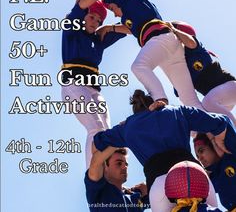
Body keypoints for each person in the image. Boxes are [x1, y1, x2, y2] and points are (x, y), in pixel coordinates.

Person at [91, 89, 234, 212]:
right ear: (153, 103)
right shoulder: (177, 111)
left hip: (161, 185)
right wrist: (221, 138)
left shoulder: (128, 126)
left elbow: (96, 143)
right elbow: (222, 121)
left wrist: (125, 127)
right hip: (195, 175)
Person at [77, 0, 203, 110]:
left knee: (139, 66)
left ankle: (160, 99)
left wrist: (77, 13)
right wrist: (109, 28)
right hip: (170, 45)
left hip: (160, 39)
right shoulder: (137, 5)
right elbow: (131, 29)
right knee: (188, 98)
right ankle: (211, 127)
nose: (114, 14)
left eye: (112, 8)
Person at [61, 0, 129, 167]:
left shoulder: (98, 39)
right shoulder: (72, 28)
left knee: (106, 131)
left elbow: (130, 28)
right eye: (92, 17)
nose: (96, 22)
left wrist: (109, 27)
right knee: (96, 127)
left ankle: (107, 175)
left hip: (93, 89)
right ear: (84, 16)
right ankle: (93, 178)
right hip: (73, 85)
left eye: (99, 20)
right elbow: (81, 3)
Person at [167, 21, 236, 126]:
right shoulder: (180, 65)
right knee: (210, 117)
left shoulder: (195, 50)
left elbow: (190, 42)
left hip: (229, 87)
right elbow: (180, 92)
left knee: (207, 103)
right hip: (221, 98)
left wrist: (174, 30)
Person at [84, 146, 150, 211]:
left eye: (126, 164)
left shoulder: (135, 195)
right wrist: (118, 142)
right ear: (105, 167)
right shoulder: (99, 190)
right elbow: (96, 161)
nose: (125, 167)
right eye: (119, 163)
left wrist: (144, 189)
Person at [194, 133, 236, 211]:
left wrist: (212, 138)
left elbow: (225, 126)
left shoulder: (232, 156)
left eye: (201, 151)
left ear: (213, 146)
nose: (200, 158)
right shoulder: (212, 178)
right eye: (197, 156)